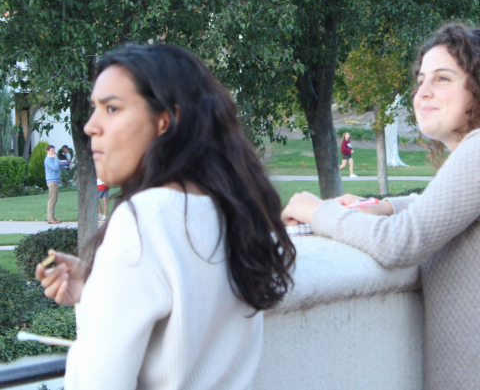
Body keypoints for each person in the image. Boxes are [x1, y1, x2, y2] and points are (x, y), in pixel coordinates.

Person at [282, 23, 480, 390]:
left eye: (442, 79)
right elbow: (442, 205)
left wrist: (315, 211)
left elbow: (399, 244)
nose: (422, 93)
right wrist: (385, 207)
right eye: (420, 80)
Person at [35, 44, 294, 390]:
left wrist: (96, 308)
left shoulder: (143, 221)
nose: (90, 126)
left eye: (112, 108)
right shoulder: (233, 208)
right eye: (94, 108)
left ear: (165, 120)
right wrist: (97, 289)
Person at [44, 145, 62, 224]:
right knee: (52, 200)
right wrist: (56, 158)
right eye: (52, 150)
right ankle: (50, 218)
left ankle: (52, 217)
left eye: (54, 150)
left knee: (53, 200)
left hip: (55, 180)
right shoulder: (48, 160)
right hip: (52, 181)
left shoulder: (52, 159)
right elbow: (55, 167)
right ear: (47, 151)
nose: (53, 151)